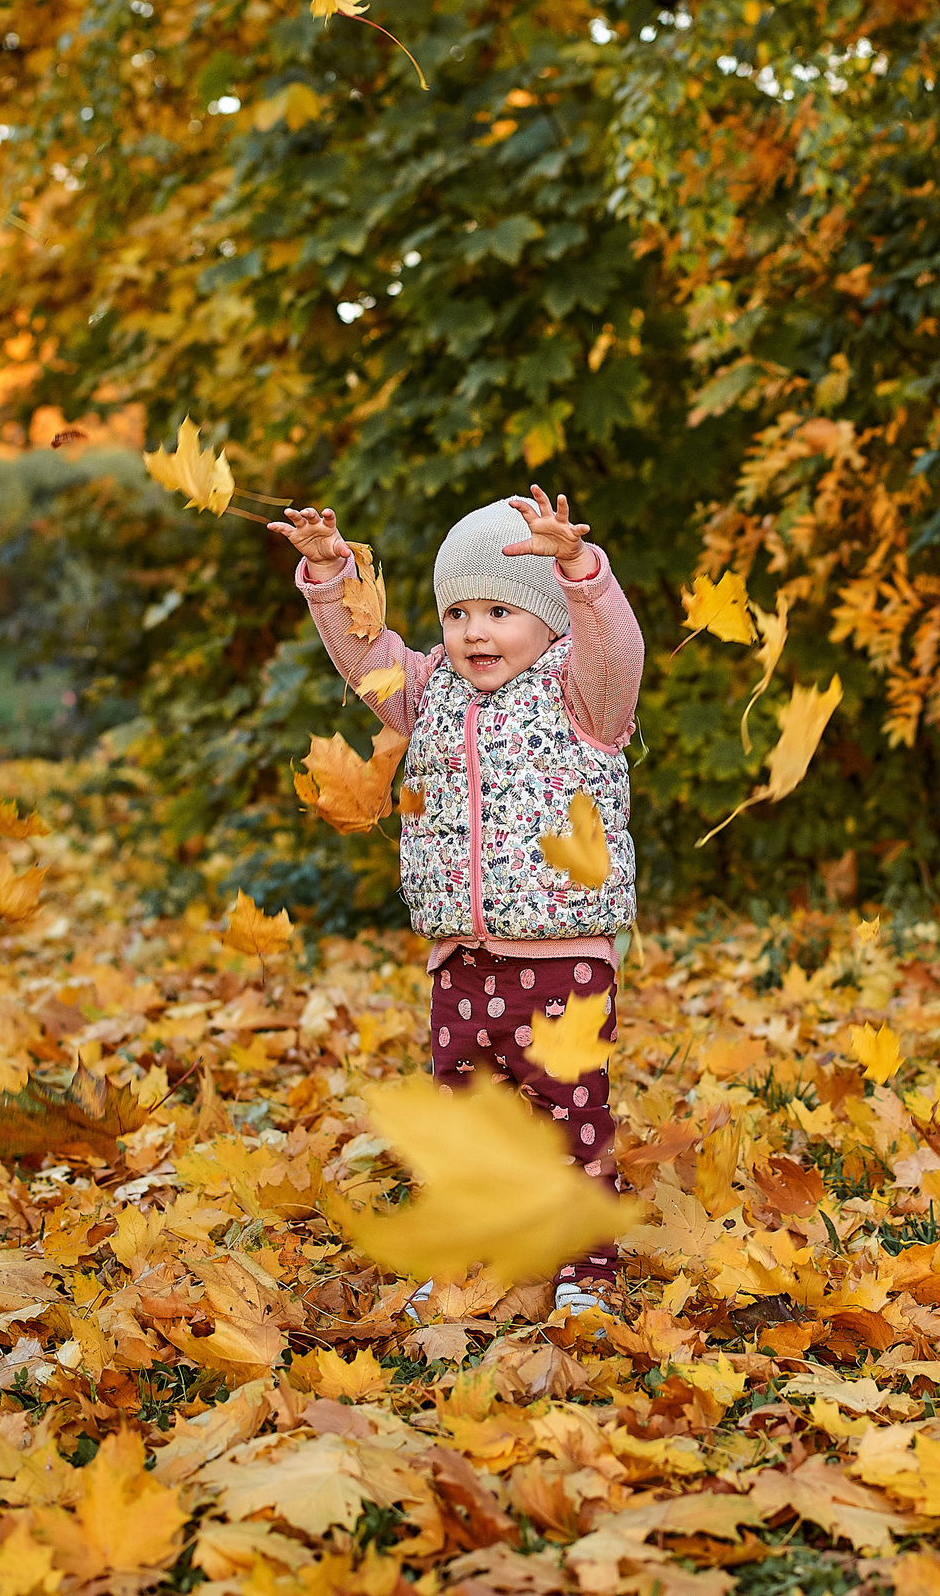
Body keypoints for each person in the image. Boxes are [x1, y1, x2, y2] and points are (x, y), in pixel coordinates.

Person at [271, 486, 642, 1316]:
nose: (475, 630)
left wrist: (578, 570)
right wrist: (331, 574)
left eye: (500, 610)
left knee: (569, 1120)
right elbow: (367, 660)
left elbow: (616, 647)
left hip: (562, 958)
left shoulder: (584, 695)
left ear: (548, 621)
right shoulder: (428, 690)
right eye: (458, 612)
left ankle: (587, 1266)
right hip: (460, 960)